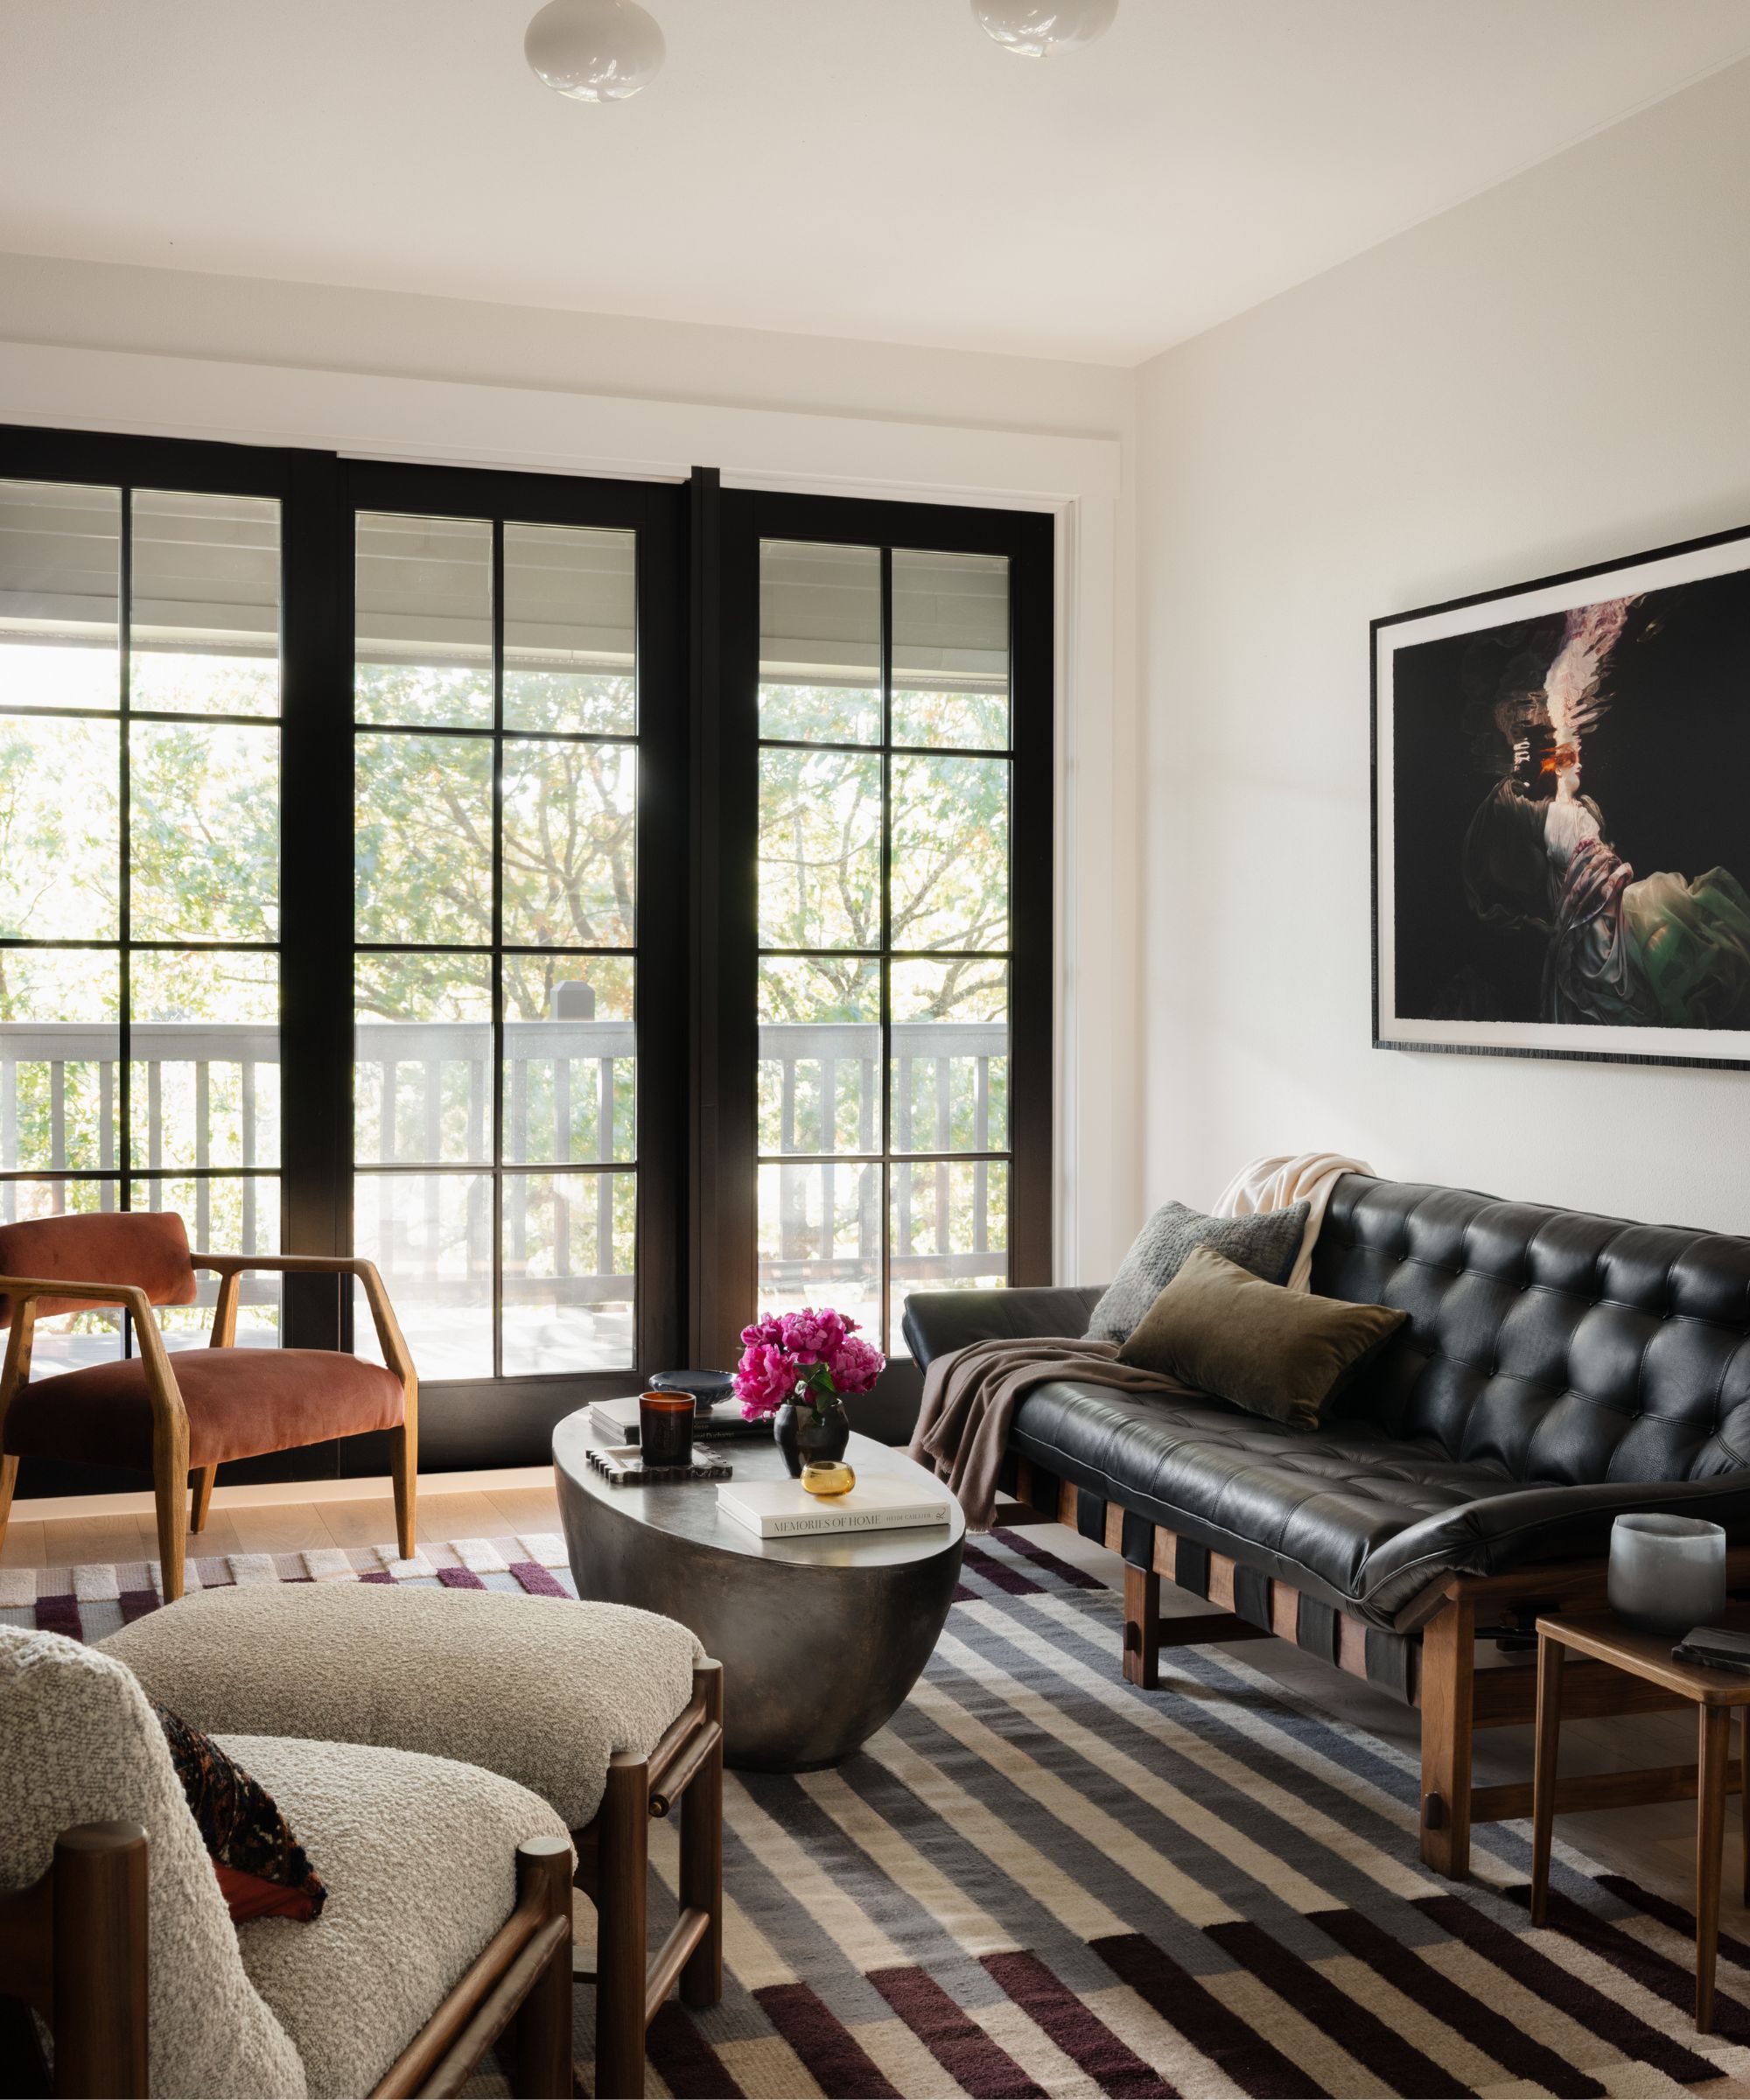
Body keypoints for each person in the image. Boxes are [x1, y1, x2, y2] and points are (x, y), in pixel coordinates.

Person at [1463, 724, 1750, 1028]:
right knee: (1671, 915)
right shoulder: (1549, 816)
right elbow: (1505, 807)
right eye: (1573, 761)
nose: (1581, 765)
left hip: (1612, 902)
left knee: (1685, 916)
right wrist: (1520, 762)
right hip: (1598, 915)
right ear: (1559, 770)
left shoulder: (1580, 808)